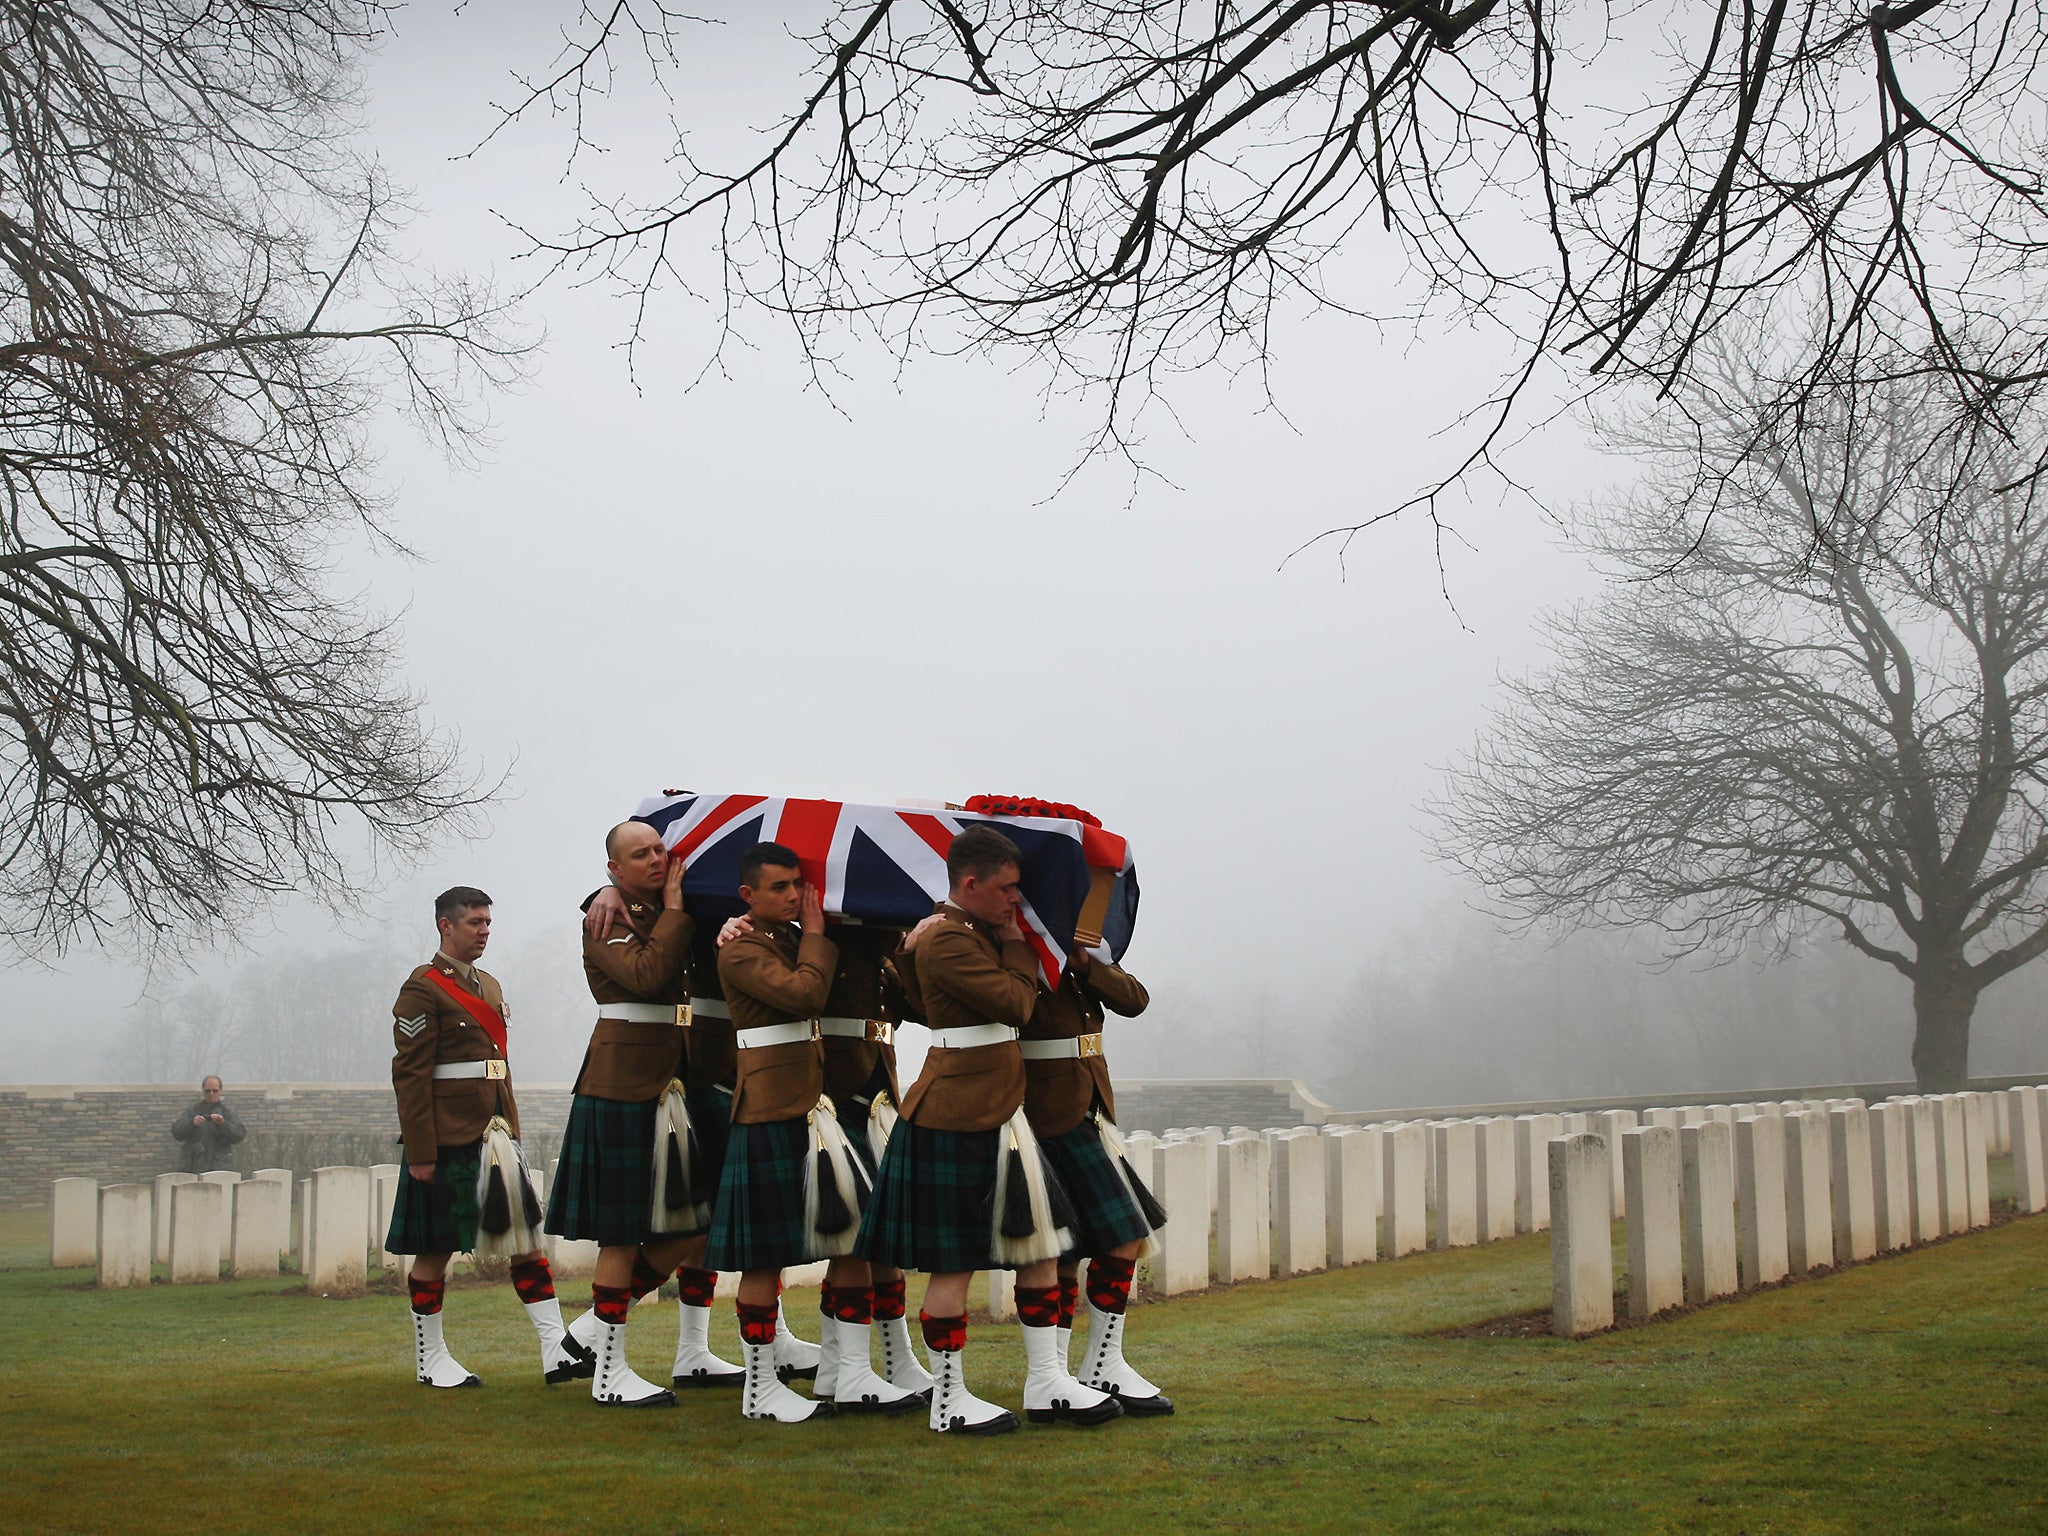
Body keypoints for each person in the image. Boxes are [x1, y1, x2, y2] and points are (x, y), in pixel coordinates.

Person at [855, 825, 1121, 1435]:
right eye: (1006, 889)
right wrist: (1021, 947)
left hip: (1001, 1113)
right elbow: (1015, 1005)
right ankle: (949, 1400)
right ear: (969, 884)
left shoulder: (966, 931)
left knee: (1041, 1249)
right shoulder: (948, 939)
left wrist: (1009, 939)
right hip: (955, 1117)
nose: (1015, 902)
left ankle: (1047, 1382)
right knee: (955, 1266)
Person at [708, 842, 920, 1422]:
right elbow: (805, 994)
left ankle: (847, 1372)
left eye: (797, 884)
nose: (794, 895)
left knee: (852, 1239)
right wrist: (819, 931)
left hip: (810, 1109)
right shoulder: (741, 948)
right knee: (764, 1256)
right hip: (769, 1111)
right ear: (748, 895)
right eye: (779, 887)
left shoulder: (782, 939)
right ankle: (760, 1388)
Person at [547, 821, 741, 1407]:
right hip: (622, 1086)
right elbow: (648, 975)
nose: (657, 859)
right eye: (641, 854)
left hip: (668, 1083)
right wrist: (673, 908)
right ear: (614, 870)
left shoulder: (663, 912)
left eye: (660, 849)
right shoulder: (605, 919)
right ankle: (608, 1374)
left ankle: (585, 1337)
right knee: (621, 1231)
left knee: (692, 1223)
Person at [386, 886, 587, 1390]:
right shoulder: (422, 989)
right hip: (448, 1137)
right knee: (436, 1247)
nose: (484, 931)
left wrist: (510, 1130)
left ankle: (554, 1350)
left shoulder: (490, 985)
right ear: (445, 926)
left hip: (495, 1133)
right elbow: (411, 1076)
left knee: (525, 1241)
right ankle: (430, 1358)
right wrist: (422, 1152)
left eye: (487, 922)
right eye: (474, 922)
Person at [1021, 940, 1171, 1414]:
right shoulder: (1019, 940)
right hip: (1042, 1109)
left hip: (1089, 1106)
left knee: (1112, 1236)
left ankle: (1097, 1365)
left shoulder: (1079, 947)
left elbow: (1134, 999)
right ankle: (1060, 1375)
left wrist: (1086, 962)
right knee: (1069, 1248)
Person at [815, 925, 934, 1398]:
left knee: (881, 1236)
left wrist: (904, 951)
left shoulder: (885, 954)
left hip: (879, 1095)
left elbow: (926, 1008)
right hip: (834, 1095)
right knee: (853, 1238)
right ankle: (845, 1368)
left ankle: (893, 1358)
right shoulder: (823, 942)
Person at [169, 1077, 246, 1173]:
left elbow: (239, 1135)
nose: (211, 1094)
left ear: (221, 1090)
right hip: (191, 1168)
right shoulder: (192, 1111)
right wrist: (192, 1124)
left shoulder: (227, 1113)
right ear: (203, 1091)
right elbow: (177, 1132)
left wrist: (222, 1125)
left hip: (218, 1169)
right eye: (208, 1091)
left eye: (215, 1091)